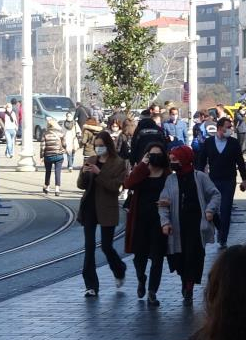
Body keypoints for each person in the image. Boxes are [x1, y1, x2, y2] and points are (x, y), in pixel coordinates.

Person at [158, 145, 221, 305]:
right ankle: (184, 281)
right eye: (171, 159)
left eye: (175, 159)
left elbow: (215, 194)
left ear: (185, 159)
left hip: (196, 226)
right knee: (179, 258)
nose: (172, 162)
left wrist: (210, 210)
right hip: (177, 227)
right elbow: (163, 203)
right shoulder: (170, 180)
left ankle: (189, 287)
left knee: (193, 257)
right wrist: (165, 222)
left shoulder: (199, 177)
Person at [77, 131, 127, 297]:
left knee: (106, 246)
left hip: (107, 207)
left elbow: (115, 187)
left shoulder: (118, 163)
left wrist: (100, 173)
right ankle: (91, 285)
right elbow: (81, 185)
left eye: (101, 146)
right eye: (96, 146)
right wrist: (84, 173)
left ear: (108, 146)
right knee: (89, 246)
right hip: (90, 207)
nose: (98, 149)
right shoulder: (90, 160)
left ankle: (119, 268)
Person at [123, 142, 170, 306]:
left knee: (157, 258)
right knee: (139, 257)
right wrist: (142, 165)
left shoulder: (167, 174)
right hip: (140, 220)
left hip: (160, 221)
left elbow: (175, 193)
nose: (155, 157)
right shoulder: (142, 171)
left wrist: (167, 203)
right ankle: (141, 278)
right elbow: (128, 184)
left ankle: (152, 292)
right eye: (152, 154)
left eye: (158, 154)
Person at [196, 118, 246, 249]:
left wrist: (244, 178)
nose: (230, 129)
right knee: (211, 208)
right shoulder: (209, 142)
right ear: (219, 128)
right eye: (228, 127)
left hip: (229, 180)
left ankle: (223, 238)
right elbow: (201, 161)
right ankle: (220, 228)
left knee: (226, 209)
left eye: (231, 127)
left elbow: (240, 161)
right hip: (213, 180)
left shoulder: (233, 143)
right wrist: (199, 176)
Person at [40, 118, 66, 196]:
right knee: (58, 172)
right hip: (59, 155)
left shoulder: (45, 133)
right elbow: (64, 144)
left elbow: (42, 146)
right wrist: (63, 149)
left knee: (48, 172)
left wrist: (41, 156)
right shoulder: (60, 133)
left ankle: (47, 187)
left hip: (48, 156)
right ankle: (57, 189)